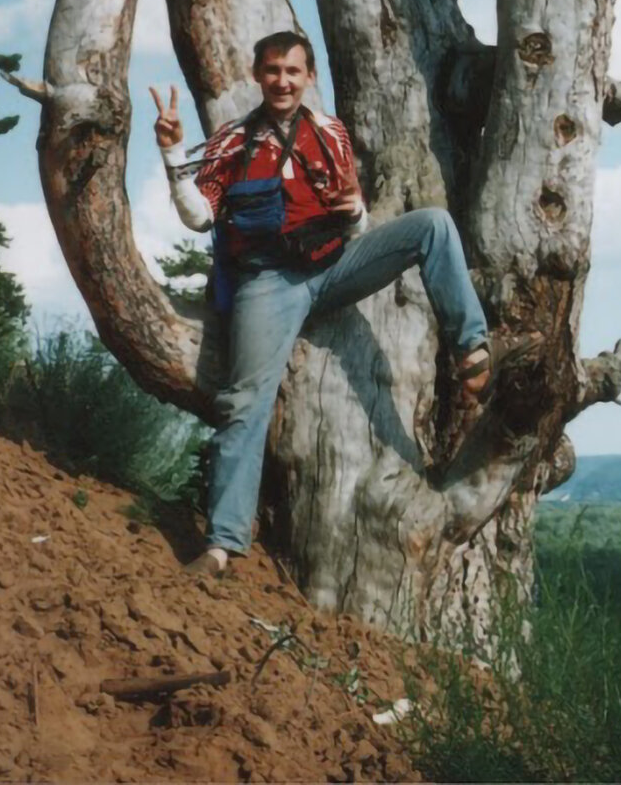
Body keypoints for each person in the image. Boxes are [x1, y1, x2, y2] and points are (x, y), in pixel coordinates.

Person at [151, 30, 491, 576]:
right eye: (272, 71)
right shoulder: (232, 143)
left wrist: (356, 211)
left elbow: (355, 228)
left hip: (333, 267)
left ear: (309, 77)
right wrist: (172, 150)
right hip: (268, 284)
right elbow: (198, 217)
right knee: (246, 401)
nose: (282, 81)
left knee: (433, 225)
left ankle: (472, 348)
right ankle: (222, 544)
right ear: (257, 75)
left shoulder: (330, 133)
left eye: (293, 71)